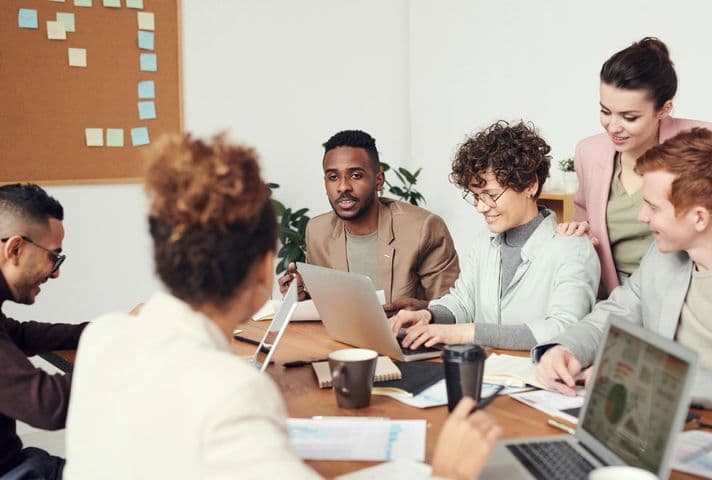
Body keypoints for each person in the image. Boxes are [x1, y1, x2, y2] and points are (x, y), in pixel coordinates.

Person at [64, 133, 501, 479]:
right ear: (261, 269)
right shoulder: (232, 393)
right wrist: (446, 474)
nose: (343, 187)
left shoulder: (103, 337)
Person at [536, 128, 712, 407]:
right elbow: (617, 312)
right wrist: (567, 348)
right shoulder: (662, 256)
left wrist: (646, 379)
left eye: (653, 208)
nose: (641, 217)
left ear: (699, 218)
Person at [390, 121, 600, 351]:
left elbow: (564, 328)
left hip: (538, 378)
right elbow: (462, 302)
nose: (481, 207)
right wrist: (429, 316)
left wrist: (467, 333)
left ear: (530, 185)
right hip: (488, 374)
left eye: (490, 195)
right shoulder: (484, 243)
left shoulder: (572, 248)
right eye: (476, 196)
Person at [557, 37, 712, 297]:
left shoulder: (699, 143)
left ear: (664, 109)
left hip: (685, 294)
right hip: (611, 295)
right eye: (605, 111)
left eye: (630, 117)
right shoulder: (589, 152)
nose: (613, 127)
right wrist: (577, 232)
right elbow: (583, 217)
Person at [278, 129, 459, 313]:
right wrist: (301, 297)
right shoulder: (318, 230)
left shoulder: (423, 228)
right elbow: (327, 308)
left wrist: (424, 309)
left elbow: (454, 311)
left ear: (378, 180)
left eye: (356, 175)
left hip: (406, 339)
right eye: (333, 177)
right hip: (343, 340)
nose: (343, 187)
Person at [0, 183, 86, 479]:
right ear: (15, 249)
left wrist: (110, 329)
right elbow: (49, 405)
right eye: (54, 257)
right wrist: (132, 354)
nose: (56, 272)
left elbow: (20, 334)